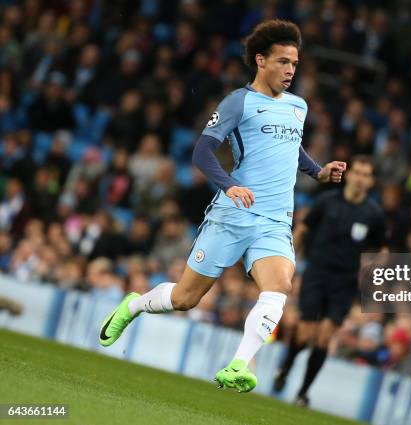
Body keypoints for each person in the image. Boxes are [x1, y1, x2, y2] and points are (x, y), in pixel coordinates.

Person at [97, 20, 347, 394]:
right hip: (232, 215)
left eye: (294, 63)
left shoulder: (298, 107)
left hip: (275, 220)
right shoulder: (238, 102)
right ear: (260, 61)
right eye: (282, 61)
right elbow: (201, 151)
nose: (291, 70)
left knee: (279, 286)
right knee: (185, 299)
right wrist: (229, 186)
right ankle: (133, 306)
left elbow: (289, 145)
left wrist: (318, 172)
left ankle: (239, 365)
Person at [273, 156, 387, 406]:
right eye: (357, 172)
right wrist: (288, 261)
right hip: (316, 273)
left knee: (324, 337)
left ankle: (303, 392)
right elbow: (303, 229)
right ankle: (286, 368)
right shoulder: (327, 201)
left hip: (345, 281)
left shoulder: (374, 214)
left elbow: (381, 250)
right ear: (350, 174)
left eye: (366, 175)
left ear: (371, 181)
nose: (360, 178)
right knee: (305, 334)